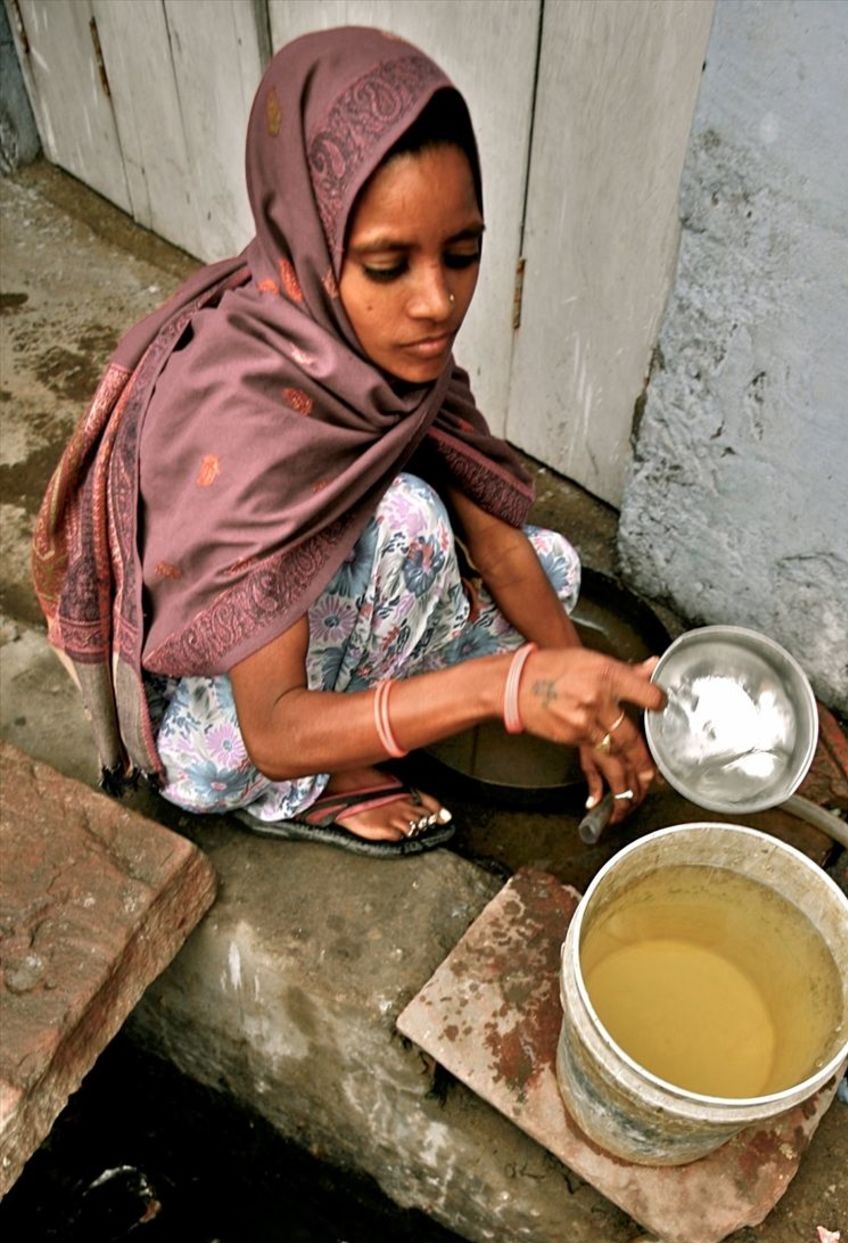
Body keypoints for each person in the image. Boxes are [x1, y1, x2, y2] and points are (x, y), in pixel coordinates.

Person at [31, 26, 663, 856]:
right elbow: (273, 729)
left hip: (309, 624)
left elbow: (502, 551)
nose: (437, 303)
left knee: (550, 573)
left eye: (462, 255)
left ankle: (388, 707)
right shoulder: (250, 417)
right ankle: (323, 786)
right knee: (409, 524)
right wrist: (504, 686)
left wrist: (595, 699)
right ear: (317, 239)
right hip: (221, 724)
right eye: (388, 265)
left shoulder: (380, 351)